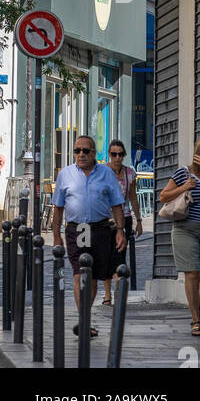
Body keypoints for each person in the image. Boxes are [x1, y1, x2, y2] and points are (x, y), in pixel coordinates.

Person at [52, 135, 126, 336]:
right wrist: (56, 235)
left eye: (86, 151)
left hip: (101, 228)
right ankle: (84, 319)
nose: (81, 154)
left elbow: (117, 205)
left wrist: (120, 231)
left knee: (93, 277)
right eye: (77, 151)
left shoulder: (106, 174)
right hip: (78, 228)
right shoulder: (65, 174)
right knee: (79, 271)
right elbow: (58, 207)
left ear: (94, 153)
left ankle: (85, 316)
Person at [158, 136, 200, 336]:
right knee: (192, 273)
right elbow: (163, 196)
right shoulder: (183, 173)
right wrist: (184, 187)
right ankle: (195, 319)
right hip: (185, 229)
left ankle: (197, 305)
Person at [102, 139, 143, 306]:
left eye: (120, 154)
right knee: (105, 255)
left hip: (124, 217)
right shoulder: (102, 171)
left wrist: (139, 220)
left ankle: (118, 293)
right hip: (104, 218)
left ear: (124, 155)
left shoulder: (129, 173)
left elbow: (133, 197)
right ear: (109, 155)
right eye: (113, 154)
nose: (117, 157)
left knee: (119, 255)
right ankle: (107, 294)